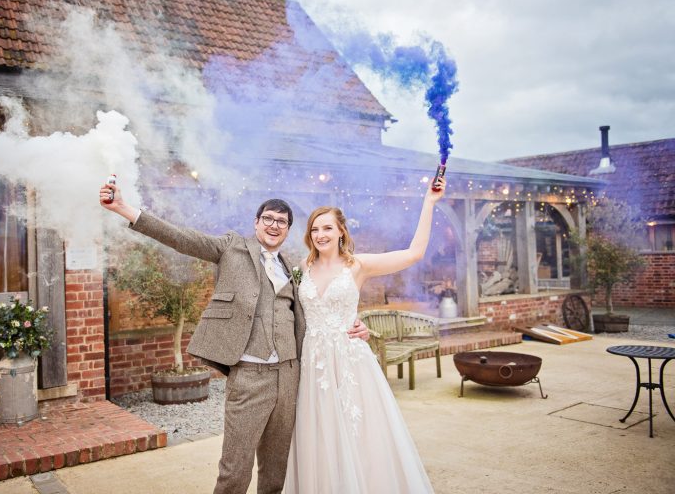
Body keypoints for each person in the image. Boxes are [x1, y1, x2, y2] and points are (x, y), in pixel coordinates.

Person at [98, 182, 369, 494]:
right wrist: (124, 208)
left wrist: (355, 325)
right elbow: (182, 239)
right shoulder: (230, 248)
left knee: (276, 471)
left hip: (291, 375)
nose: (274, 225)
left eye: (282, 222)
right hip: (249, 376)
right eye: (268, 218)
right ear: (256, 223)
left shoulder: (294, 268)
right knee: (234, 473)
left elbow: (319, 312)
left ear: (289, 230)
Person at [284, 178, 446, 494]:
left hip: (349, 361)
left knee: (358, 434)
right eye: (315, 230)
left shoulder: (357, 265)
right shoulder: (302, 267)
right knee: (320, 435)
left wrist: (428, 202)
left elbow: (413, 253)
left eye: (327, 228)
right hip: (314, 362)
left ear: (341, 232)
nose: (320, 235)